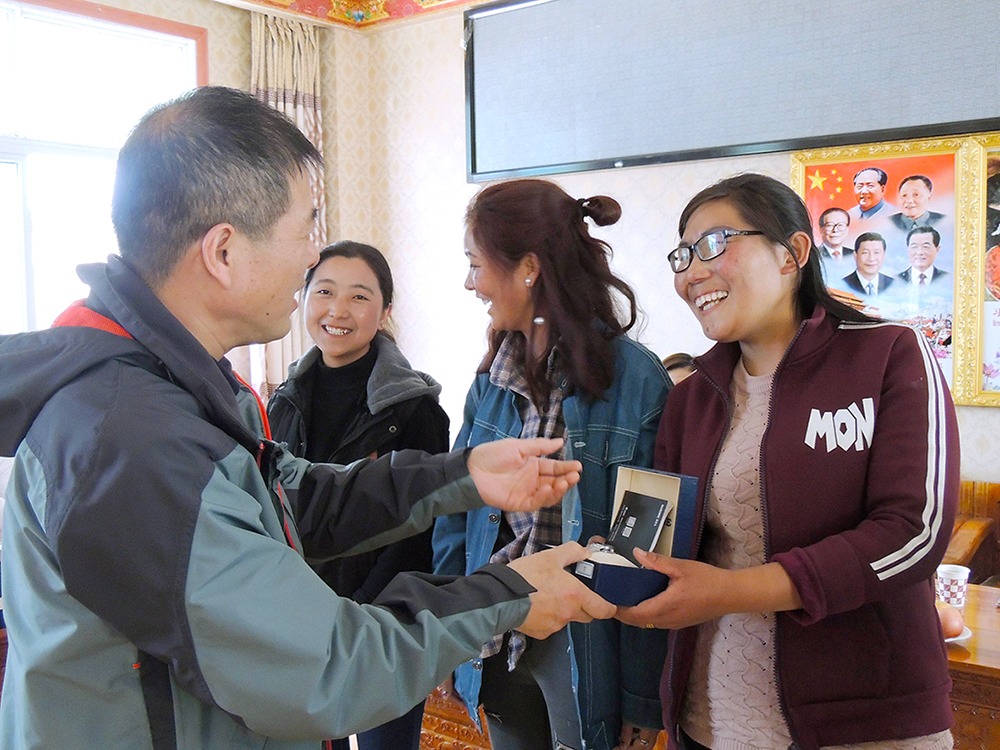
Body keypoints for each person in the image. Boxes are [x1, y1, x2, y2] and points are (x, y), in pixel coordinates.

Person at [0, 86, 617, 750]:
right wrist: (509, 593)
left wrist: (461, 475)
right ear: (224, 252)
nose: (309, 258)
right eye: (304, 230)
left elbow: (290, 501)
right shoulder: (131, 441)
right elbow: (325, 667)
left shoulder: (184, 387)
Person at [618, 174, 958, 750]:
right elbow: (663, 540)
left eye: (714, 244)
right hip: (712, 719)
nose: (691, 273)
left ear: (793, 252)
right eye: (682, 255)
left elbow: (913, 532)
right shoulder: (691, 397)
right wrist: (615, 567)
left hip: (863, 725)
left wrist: (731, 591)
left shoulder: (889, 354)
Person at [433, 178, 671, 750]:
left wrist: (642, 695)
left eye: (475, 264)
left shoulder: (638, 381)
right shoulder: (489, 381)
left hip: (587, 647)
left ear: (529, 268)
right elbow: (454, 517)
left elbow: (650, 553)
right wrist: (446, 634)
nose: (469, 283)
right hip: (496, 632)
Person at [267, 240, 451, 750]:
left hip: (382, 628)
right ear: (305, 297)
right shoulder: (281, 402)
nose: (338, 311)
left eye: (359, 296)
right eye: (325, 292)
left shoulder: (415, 411)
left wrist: (359, 614)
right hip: (294, 621)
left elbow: (419, 535)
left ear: (385, 310)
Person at [841, 232, 895, 297]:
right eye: (865, 253)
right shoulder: (843, 284)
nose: (871, 259)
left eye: (876, 252)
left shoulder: (893, 284)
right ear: (855, 255)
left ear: (884, 256)